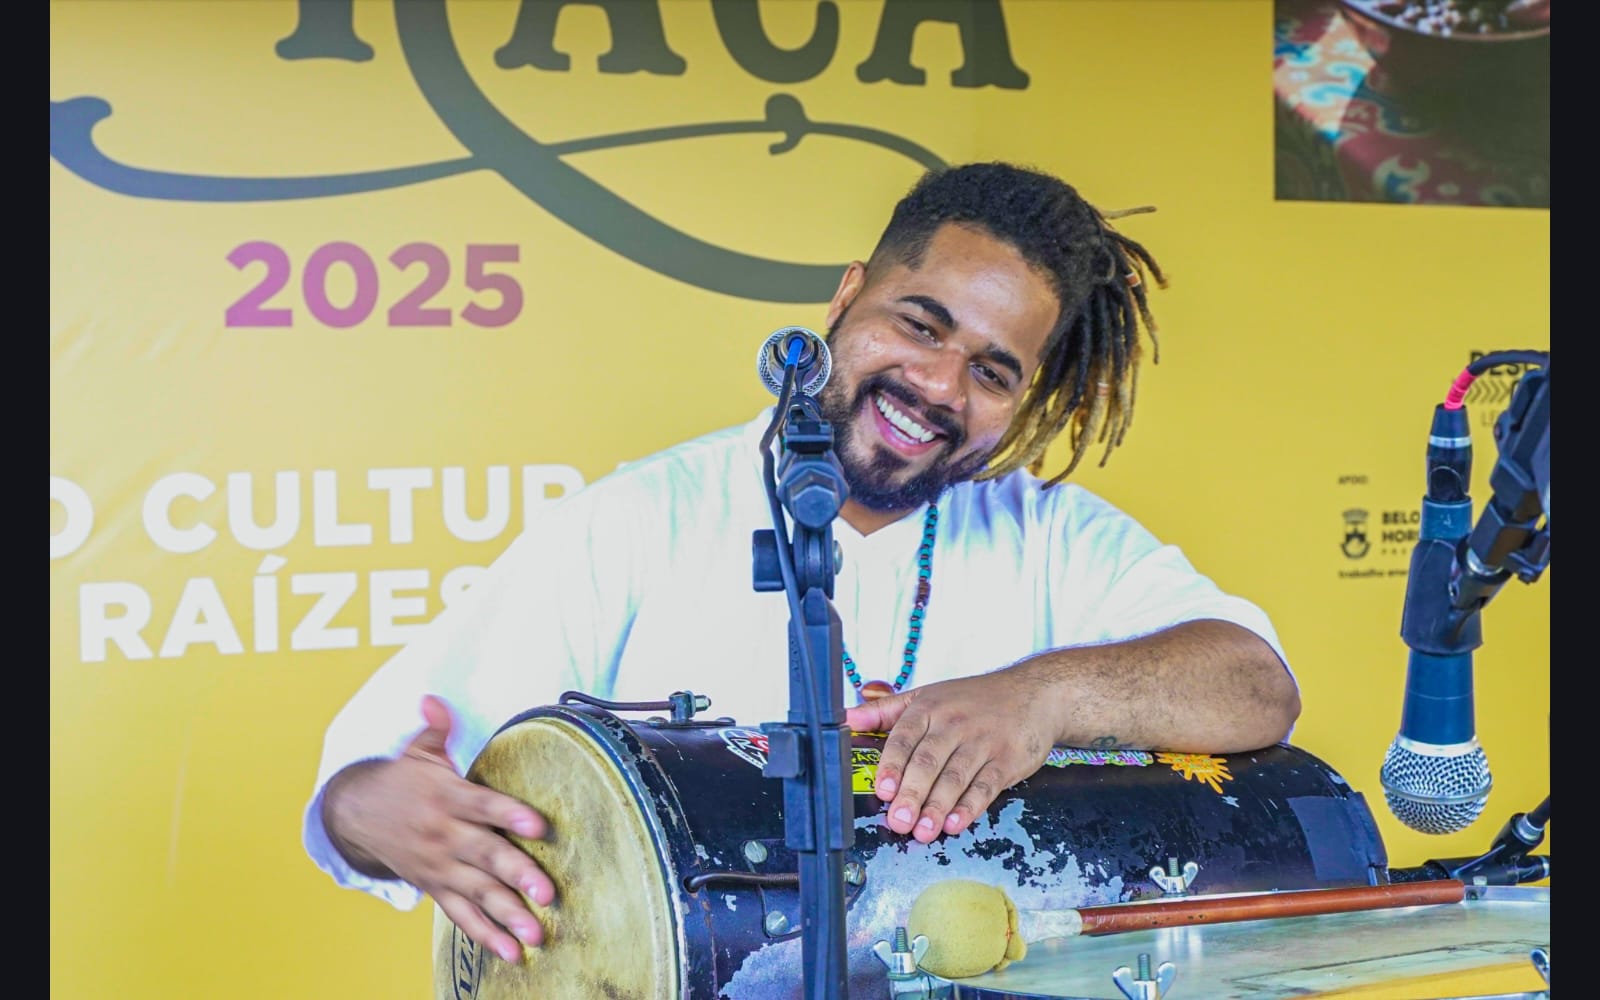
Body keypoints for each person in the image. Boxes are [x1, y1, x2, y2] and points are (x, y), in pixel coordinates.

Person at [303, 161, 1301, 968]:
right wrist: (370, 811)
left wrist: (1038, 697)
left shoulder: (1052, 537)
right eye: (920, 324)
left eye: (993, 371)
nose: (938, 384)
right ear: (848, 296)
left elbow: (1255, 685)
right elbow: (366, 791)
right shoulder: (638, 520)